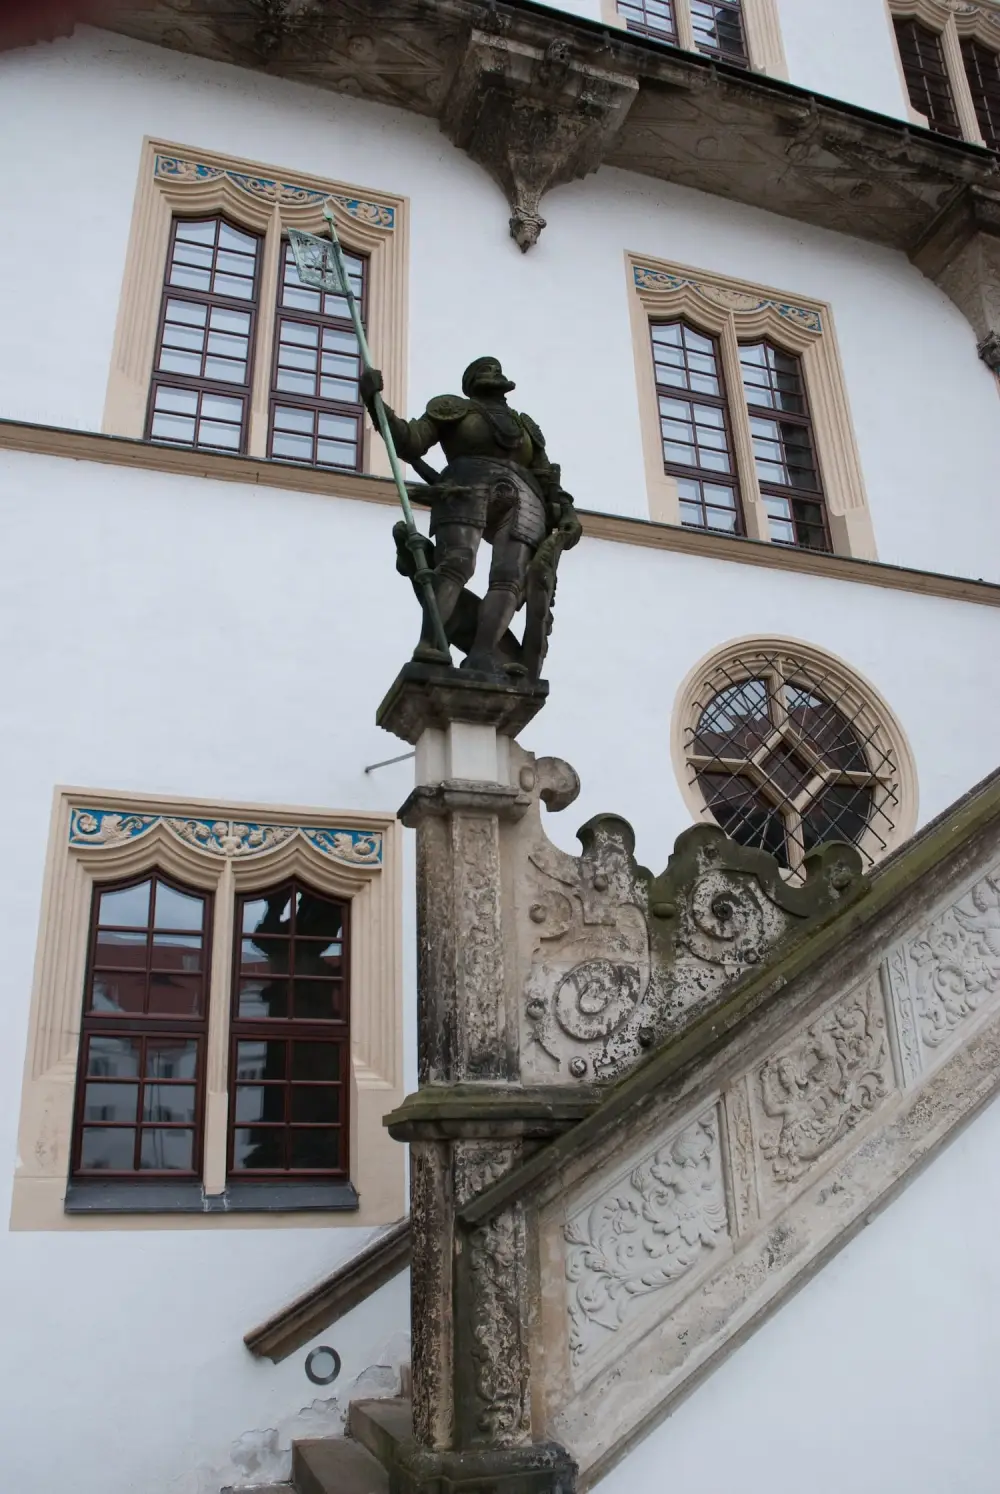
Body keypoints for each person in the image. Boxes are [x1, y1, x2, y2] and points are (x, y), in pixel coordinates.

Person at [360, 356, 581, 679]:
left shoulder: (526, 428)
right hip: (466, 486)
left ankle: (483, 655)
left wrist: (568, 511)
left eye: (495, 368)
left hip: (526, 497)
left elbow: (548, 479)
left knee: (510, 578)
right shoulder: (453, 409)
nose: (491, 371)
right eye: (483, 369)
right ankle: (432, 644)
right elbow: (409, 441)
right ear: (470, 382)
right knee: (457, 563)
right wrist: (374, 401)